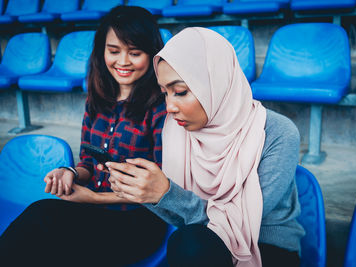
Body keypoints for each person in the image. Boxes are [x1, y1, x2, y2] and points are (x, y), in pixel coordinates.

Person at [106, 27, 305, 267]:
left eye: (180, 92)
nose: (169, 106)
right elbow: (183, 217)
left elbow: (242, 224)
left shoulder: (277, 132)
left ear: (215, 83)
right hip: (200, 242)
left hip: (267, 248)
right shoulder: (176, 130)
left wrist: (166, 193)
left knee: (191, 244)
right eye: (164, 93)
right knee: (190, 242)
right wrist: (145, 194)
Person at [0, 6, 167, 267]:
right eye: (114, 51)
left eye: (135, 53)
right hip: (93, 212)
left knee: (41, 221)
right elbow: (88, 161)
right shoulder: (97, 100)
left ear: (152, 54)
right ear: (102, 52)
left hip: (137, 221)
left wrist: (95, 198)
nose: (123, 61)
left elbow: (162, 189)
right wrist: (71, 172)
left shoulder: (160, 108)